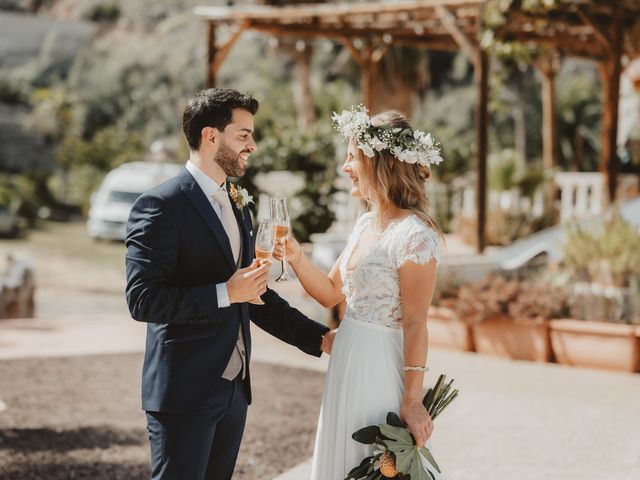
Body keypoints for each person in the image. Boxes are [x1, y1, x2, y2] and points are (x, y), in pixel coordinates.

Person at [124, 88, 330, 480]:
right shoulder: (160, 206)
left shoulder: (237, 203)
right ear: (210, 137)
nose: (252, 145)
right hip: (183, 392)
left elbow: (255, 293)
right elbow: (142, 299)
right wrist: (224, 293)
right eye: (243, 135)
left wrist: (321, 339)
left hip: (234, 392)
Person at [274, 106, 444, 479]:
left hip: (380, 367)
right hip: (346, 361)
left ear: (377, 161)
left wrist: (412, 400)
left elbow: (416, 323)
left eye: (351, 157)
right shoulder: (366, 223)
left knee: (373, 463)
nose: (345, 167)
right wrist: (297, 257)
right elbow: (331, 293)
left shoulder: (415, 235)